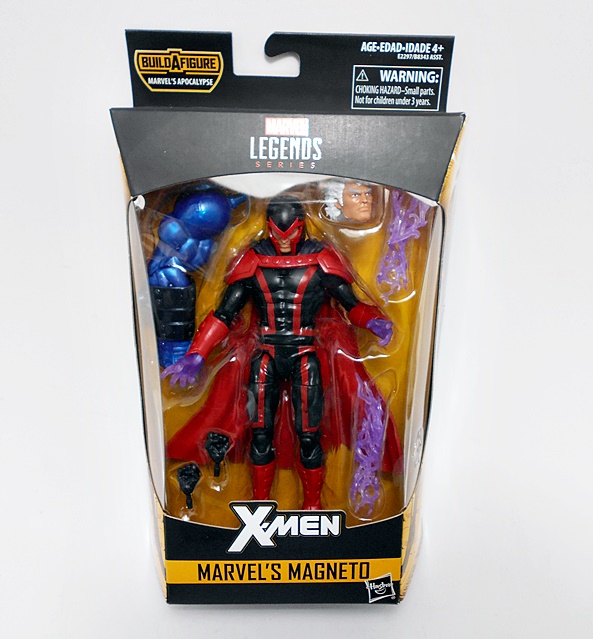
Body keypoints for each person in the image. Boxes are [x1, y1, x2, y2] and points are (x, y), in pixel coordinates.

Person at [162, 196, 393, 510]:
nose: (284, 241)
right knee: (260, 435)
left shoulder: (322, 259)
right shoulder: (253, 258)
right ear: (269, 228)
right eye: (277, 234)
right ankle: (259, 505)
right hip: (266, 354)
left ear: (301, 226)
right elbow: (225, 314)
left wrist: (373, 320)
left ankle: (312, 506)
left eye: (290, 233)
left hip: (305, 354)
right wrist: (197, 354)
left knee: (309, 435)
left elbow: (350, 304)